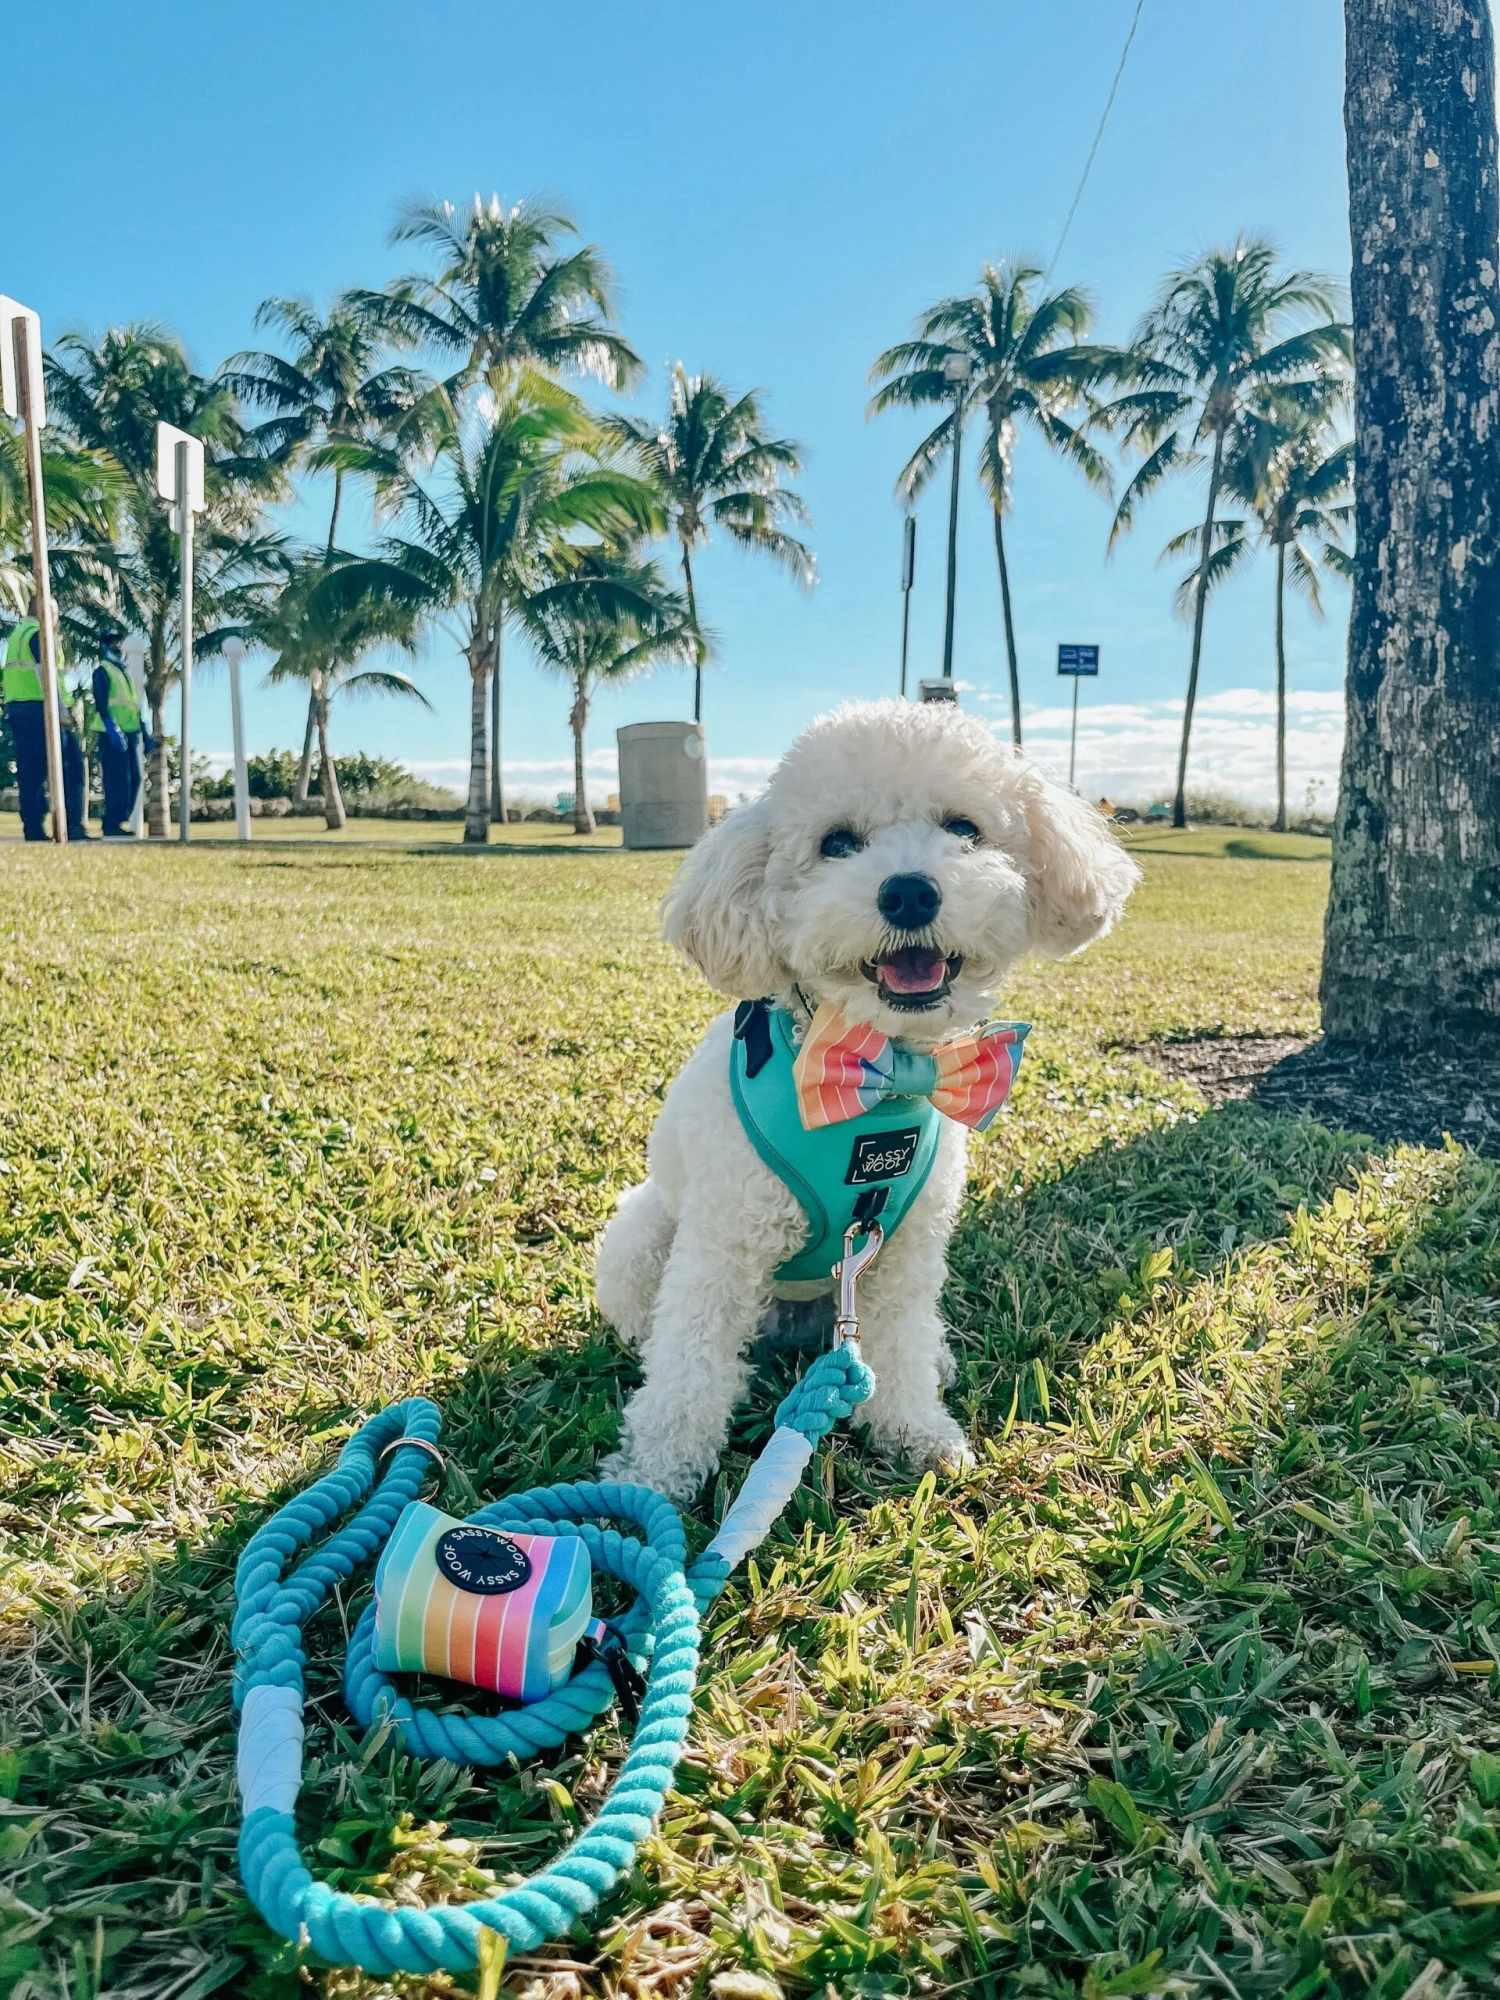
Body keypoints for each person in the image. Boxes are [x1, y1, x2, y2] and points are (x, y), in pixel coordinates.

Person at [2, 598, 87, 840]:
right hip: (41, 708)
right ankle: (72, 826)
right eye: (56, 613)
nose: (57, 618)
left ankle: (33, 828)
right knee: (70, 767)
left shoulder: (18, 634)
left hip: (19, 708)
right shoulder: (39, 634)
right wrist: (61, 713)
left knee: (31, 771)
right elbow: (45, 674)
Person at [89, 632, 145, 837]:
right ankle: (111, 823)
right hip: (111, 734)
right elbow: (102, 704)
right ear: (104, 646)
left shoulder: (124, 672)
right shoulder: (102, 671)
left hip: (130, 733)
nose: (118, 646)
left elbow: (133, 705)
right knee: (116, 780)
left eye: (119, 642)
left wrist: (144, 732)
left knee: (135, 778)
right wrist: (113, 730)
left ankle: (119, 819)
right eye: (113, 642)